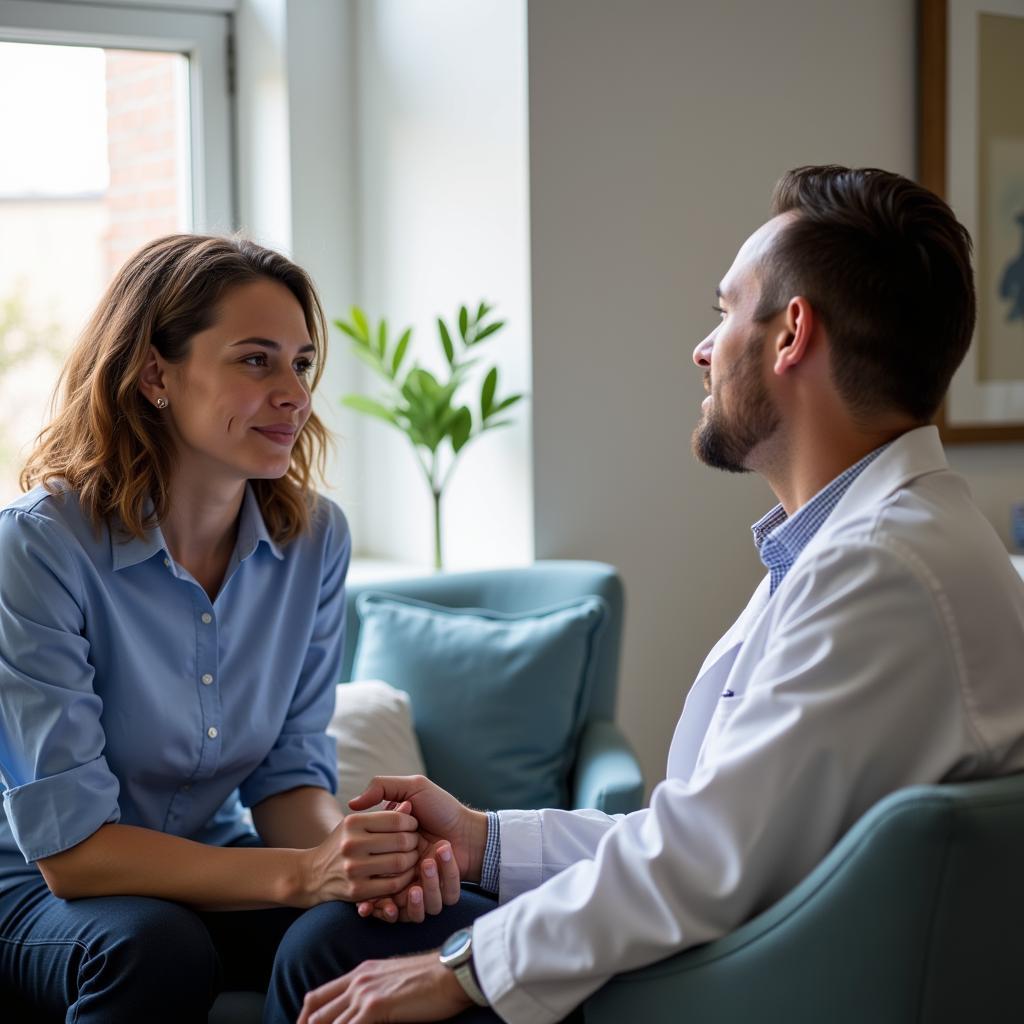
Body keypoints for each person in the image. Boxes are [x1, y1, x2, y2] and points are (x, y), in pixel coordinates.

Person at [275, 165, 1024, 1024]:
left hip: (732, 993)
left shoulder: (879, 571)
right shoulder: (899, 540)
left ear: (790, 337)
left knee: (332, 948)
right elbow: (709, 831)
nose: (703, 350)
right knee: (338, 939)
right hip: (754, 954)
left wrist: (460, 971)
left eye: (723, 311)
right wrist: (479, 840)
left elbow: (702, 858)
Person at [0, 235, 471, 1023]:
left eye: (303, 363)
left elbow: (288, 779)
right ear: (156, 373)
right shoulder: (37, 546)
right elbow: (74, 855)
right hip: (34, 883)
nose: (294, 392)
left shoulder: (314, 540)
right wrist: (303, 874)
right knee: (154, 946)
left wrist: (365, 860)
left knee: (407, 925)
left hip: (215, 864)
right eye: (256, 360)